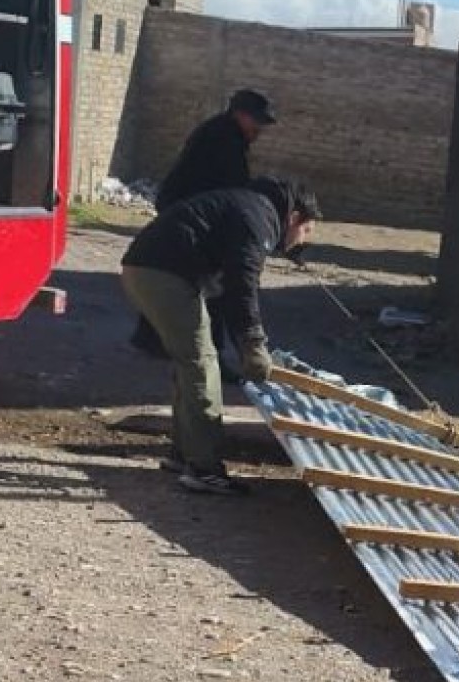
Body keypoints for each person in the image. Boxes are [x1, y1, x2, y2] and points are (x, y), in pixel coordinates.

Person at [121, 176, 318, 497]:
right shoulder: (260, 219)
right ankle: (204, 468)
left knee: (191, 361)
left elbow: (229, 289)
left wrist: (245, 340)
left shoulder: (250, 207)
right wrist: (253, 343)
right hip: (163, 275)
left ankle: (185, 453)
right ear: (294, 217)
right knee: (202, 363)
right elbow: (243, 283)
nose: (300, 241)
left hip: (146, 269)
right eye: (306, 232)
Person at [130, 89, 278, 357]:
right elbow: (230, 188)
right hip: (189, 216)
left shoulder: (227, 134)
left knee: (180, 277)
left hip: (188, 214)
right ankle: (209, 352)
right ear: (240, 115)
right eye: (256, 122)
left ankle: (158, 340)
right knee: (207, 284)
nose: (259, 129)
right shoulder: (224, 139)